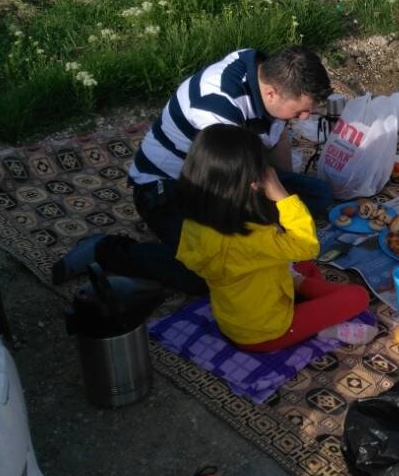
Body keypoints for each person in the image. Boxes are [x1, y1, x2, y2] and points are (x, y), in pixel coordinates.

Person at [52, 46, 333, 293]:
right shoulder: (218, 110)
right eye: (300, 112)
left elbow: (275, 140)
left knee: (320, 195)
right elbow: (228, 190)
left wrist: (282, 193)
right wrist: (274, 227)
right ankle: (107, 250)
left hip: (231, 173)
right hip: (167, 187)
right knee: (207, 272)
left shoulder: (265, 73)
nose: (305, 118)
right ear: (271, 93)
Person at [174, 124, 369, 352]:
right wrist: (282, 196)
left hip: (233, 316)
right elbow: (308, 246)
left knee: (305, 267)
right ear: (251, 182)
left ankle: (302, 293)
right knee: (358, 297)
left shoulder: (194, 223)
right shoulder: (253, 236)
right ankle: (318, 329)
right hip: (268, 332)